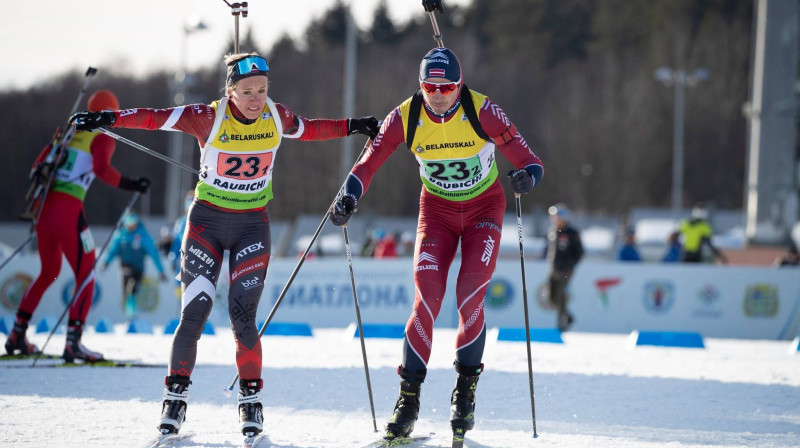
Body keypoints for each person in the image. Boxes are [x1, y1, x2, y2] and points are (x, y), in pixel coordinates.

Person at [70, 52, 378, 440]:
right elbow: (153, 116)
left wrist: (355, 125)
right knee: (194, 313)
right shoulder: (207, 117)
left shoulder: (275, 116)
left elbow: (312, 128)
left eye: (262, 91)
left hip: (252, 227)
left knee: (243, 317)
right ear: (230, 91)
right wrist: (109, 119)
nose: (256, 100)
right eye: (247, 91)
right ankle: (174, 400)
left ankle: (251, 405)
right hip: (206, 227)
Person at [329, 47, 543, 442]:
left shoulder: (483, 111)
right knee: (426, 297)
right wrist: (348, 197)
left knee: (469, 296)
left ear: (459, 85)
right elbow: (367, 164)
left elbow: (530, 160)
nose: (439, 94)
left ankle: (465, 395)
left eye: (447, 87)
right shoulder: (405, 116)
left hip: (483, 210)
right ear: (420, 85)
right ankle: (408, 401)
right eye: (430, 86)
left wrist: (527, 178)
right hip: (438, 214)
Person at [4, 90, 151, 362]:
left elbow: (38, 165)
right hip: (68, 211)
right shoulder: (101, 135)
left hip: (44, 212)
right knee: (87, 274)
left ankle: (16, 334)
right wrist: (132, 183)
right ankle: (73, 342)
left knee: (49, 272)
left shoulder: (68, 132)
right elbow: (102, 170)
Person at [101, 211, 167, 320]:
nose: (131, 226)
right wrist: (106, 262)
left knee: (132, 289)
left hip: (138, 269)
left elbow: (153, 254)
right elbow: (113, 250)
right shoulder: (121, 235)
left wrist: (161, 271)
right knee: (126, 292)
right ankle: (130, 314)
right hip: (124, 267)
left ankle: (132, 313)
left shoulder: (143, 235)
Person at [545, 203, 583, 332]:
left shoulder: (572, 233)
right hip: (554, 268)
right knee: (551, 297)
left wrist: (570, 264)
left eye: (556, 216)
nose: (554, 219)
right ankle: (568, 316)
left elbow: (579, 252)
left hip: (566, 269)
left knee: (561, 294)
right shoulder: (552, 231)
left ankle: (562, 323)